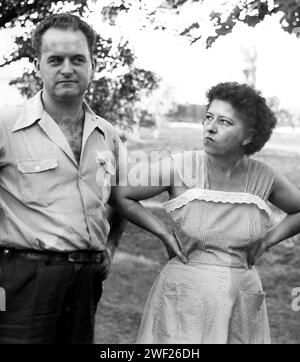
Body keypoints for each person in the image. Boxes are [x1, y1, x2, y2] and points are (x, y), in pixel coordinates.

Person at [111, 82, 300, 344]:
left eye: (224, 122)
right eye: (209, 117)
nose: (210, 127)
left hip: (242, 296)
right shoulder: (180, 166)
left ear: (248, 136)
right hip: (185, 295)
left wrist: (267, 241)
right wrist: (164, 233)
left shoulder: (265, 177)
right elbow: (121, 194)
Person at [0, 13, 128, 344]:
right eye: (55, 60)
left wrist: (111, 245)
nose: (67, 68)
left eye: (77, 59)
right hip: (22, 278)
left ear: (93, 64)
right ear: (38, 65)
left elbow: (119, 198)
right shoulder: (5, 126)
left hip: (87, 281)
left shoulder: (107, 134)